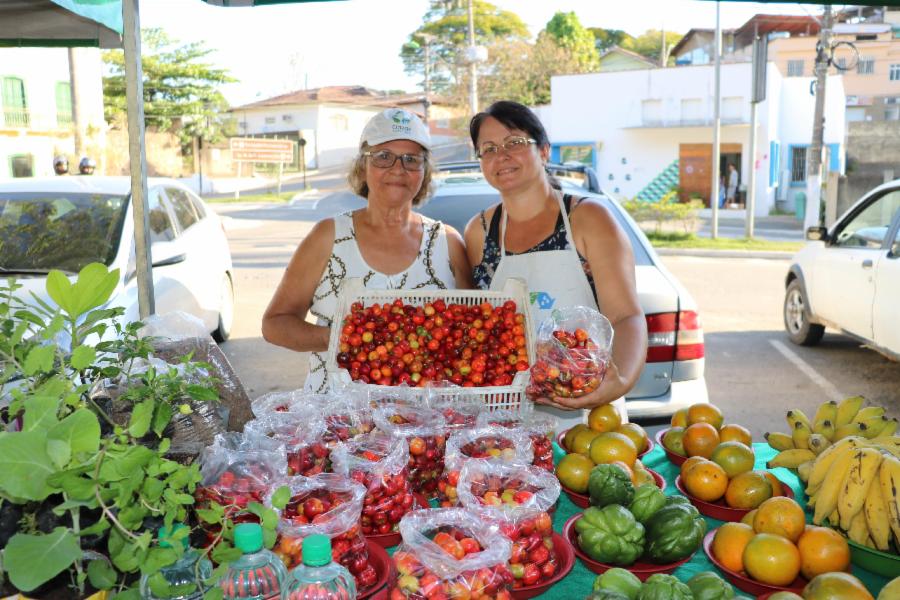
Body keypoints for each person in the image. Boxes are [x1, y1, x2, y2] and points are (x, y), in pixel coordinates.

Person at [262, 108, 473, 393]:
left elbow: (472, 338)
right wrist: (345, 338)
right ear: (362, 166)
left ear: (424, 173)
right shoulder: (328, 236)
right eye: (383, 156)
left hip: (426, 425)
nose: (398, 169)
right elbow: (275, 324)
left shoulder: (447, 243)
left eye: (412, 159)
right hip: (336, 422)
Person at [464, 101, 647, 427]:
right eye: (488, 149)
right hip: (505, 425)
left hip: (586, 414)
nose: (501, 156)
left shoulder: (588, 218)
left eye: (515, 143)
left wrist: (619, 382)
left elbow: (626, 315)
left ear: (545, 151)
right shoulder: (478, 232)